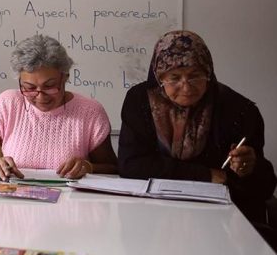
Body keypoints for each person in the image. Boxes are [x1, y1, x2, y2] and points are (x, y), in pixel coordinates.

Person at [118, 30, 276, 229]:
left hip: (220, 223)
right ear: (159, 78)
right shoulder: (140, 100)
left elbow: (265, 187)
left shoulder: (239, 111)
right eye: (174, 78)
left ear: (208, 74)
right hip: (151, 218)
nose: (186, 87)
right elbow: (130, 165)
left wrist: (249, 169)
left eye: (195, 76)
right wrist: (205, 175)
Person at [0, 34, 117, 180]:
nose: (40, 96)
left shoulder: (89, 112)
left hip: (68, 207)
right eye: (29, 88)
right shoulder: (9, 104)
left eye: (50, 86)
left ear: (65, 77)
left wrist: (88, 167)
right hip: (14, 204)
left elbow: (113, 168)